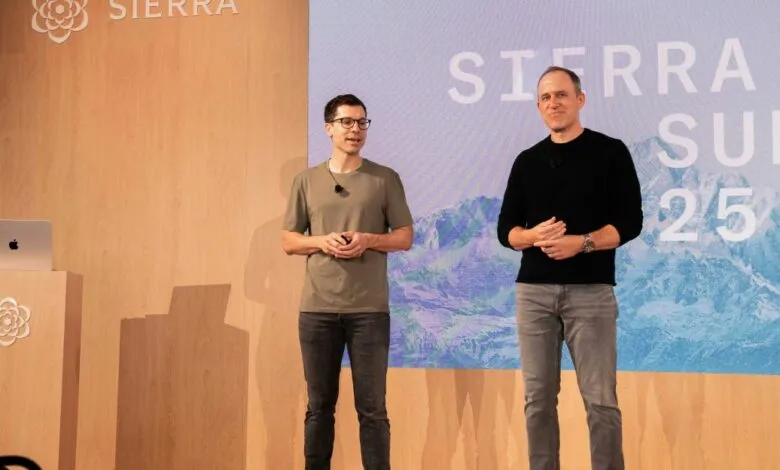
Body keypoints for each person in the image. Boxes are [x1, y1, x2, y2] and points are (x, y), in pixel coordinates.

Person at [496, 66, 643, 470]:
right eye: (545, 97)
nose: (553, 103)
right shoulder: (526, 161)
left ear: (580, 99)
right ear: (538, 106)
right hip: (534, 294)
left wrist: (582, 243)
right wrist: (533, 236)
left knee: (600, 401)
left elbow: (631, 222)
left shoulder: (611, 152)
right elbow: (505, 230)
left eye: (561, 95)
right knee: (537, 399)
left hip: (591, 292)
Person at [282, 93, 414, 470]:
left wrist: (369, 239)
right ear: (329, 128)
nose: (355, 130)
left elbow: (404, 236)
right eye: (347, 122)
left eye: (361, 122)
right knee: (319, 407)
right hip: (317, 311)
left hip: (369, 311)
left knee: (372, 410)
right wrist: (320, 241)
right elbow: (289, 240)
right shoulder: (305, 181)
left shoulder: (384, 179)